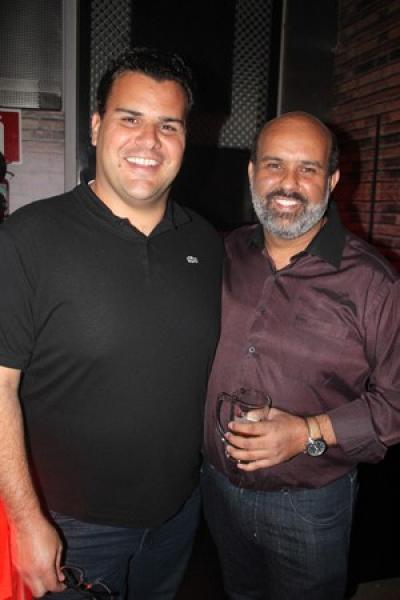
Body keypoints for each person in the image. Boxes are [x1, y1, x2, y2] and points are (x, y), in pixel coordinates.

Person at [0, 47, 223, 599]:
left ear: (185, 138)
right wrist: (27, 521)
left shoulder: (205, 242)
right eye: (130, 118)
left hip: (177, 515)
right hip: (69, 527)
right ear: (97, 126)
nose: (149, 141)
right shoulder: (28, 238)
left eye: (168, 125)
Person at [202, 111, 400, 600]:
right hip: (216, 488)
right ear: (253, 172)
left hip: (309, 506)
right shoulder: (222, 253)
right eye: (274, 165)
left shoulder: (374, 284)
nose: (288, 183)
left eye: (307, 168)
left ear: (331, 181)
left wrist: (308, 432)